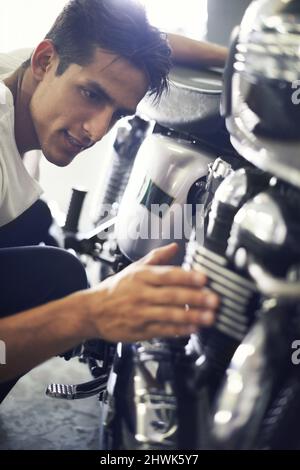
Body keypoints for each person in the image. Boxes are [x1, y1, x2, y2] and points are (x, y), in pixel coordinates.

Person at [0, 0, 222, 398]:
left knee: (38, 229)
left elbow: (146, 45)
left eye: (119, 113)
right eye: (91, 94)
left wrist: (238, 60)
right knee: (57, 278)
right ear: (45, 60)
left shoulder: (35, 64)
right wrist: (92, 313)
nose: (98, 129)